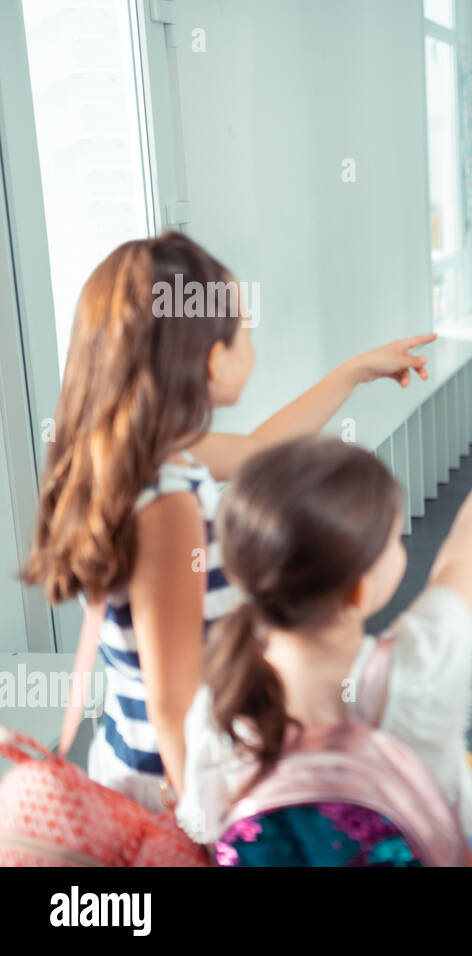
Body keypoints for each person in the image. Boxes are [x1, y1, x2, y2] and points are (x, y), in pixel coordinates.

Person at [20, 232, 437, 811]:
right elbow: (173, 703)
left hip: (148, 763)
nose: (253, 349)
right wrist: (212, 836)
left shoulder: (155, 454)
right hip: (168, 791)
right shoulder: (167, 503)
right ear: (211, 358)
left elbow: (258, 448)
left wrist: (354, 372)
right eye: (244, 333)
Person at [177, 430, 472, 865]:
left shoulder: (219, 703)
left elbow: (208, 832)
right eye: (393, 539)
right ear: (358, 592)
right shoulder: (418, 674)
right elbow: (468, 546)